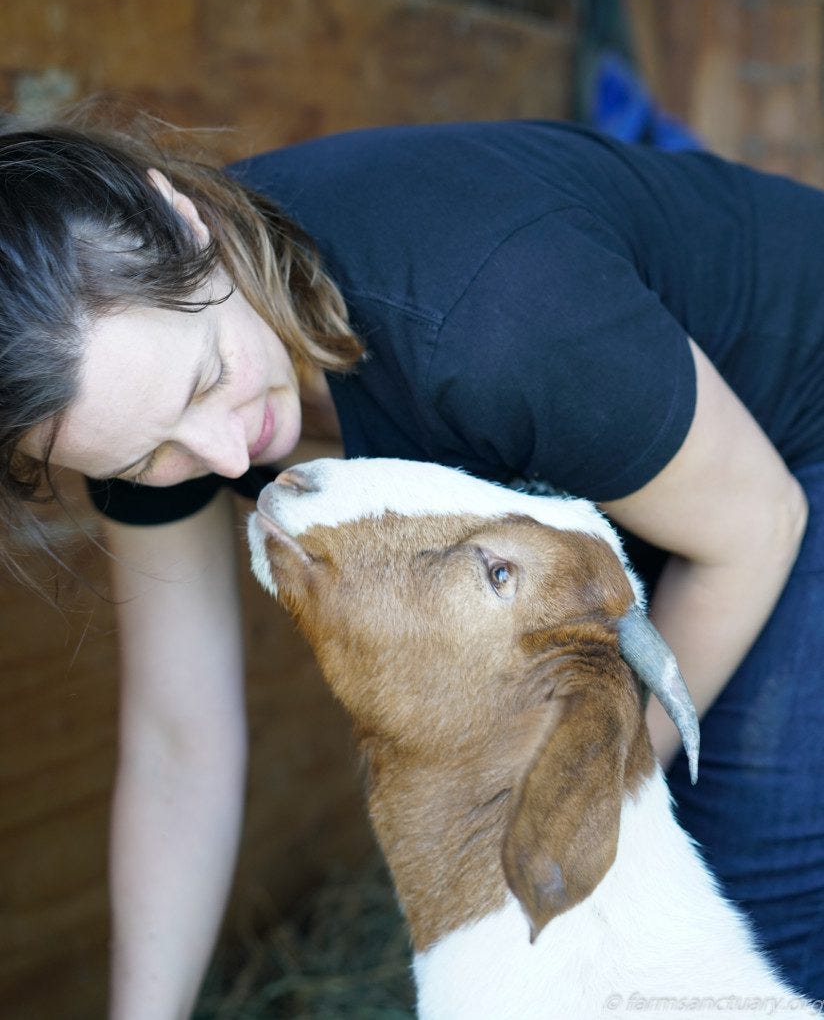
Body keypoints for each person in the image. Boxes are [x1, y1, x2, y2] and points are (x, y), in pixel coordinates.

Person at [2, 105, 822, 1016]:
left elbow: (756, 527)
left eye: (204, 378)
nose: (228, 461)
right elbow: (178, 738)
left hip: (784, 458)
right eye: (143, 461)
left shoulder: (483, 309)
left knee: (738, 899)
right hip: (628, 503)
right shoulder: (137, 401)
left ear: (187, 221)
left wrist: (577, 795)